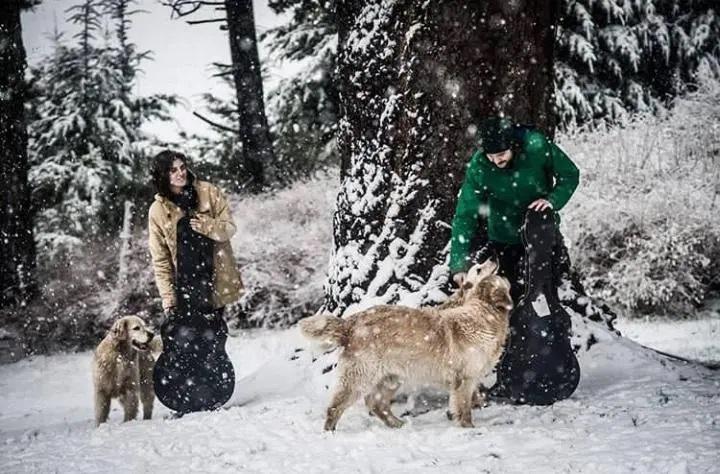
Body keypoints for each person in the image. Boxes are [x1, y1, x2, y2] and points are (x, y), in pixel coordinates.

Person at [449, 116, 579, 303]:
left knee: (547, 296)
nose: (495, 161)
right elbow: (465, 214)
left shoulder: (537, 146)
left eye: (501, 154)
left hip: (541, 237)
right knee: (508, 299)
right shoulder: (479, 166)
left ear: (513, 146)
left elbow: (570, 174)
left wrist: (552, 200)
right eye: (490, 156)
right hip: (503, 239)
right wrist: (459, 264)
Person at [148, 150, 243, 320]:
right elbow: (160, 259)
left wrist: (208, 226)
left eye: (182, 167)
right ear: (162, 175)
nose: (180, 173)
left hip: (215, 279)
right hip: (184, 285)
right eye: (173, 170)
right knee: (191, 341)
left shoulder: (208, 192)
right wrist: (168, 298)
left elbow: (230, 229)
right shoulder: (158, 210)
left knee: (216, 338)